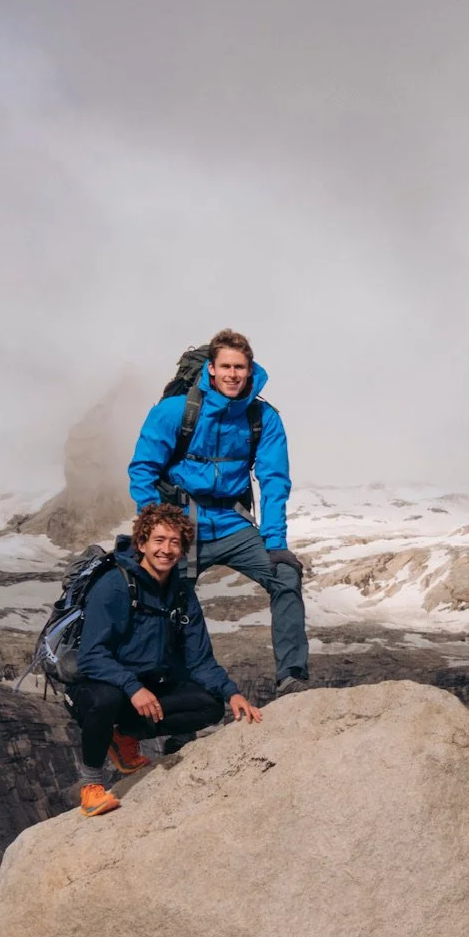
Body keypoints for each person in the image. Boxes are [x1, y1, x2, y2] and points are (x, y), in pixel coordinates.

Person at [128, 328, 308, 694]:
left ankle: (292, 677)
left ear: (250, 370)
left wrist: (275, 543)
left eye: (240, 368)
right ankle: (175, 704)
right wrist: (155, 529)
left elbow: (274, 482)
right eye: (225, 366)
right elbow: (142, 469)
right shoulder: (175, 412)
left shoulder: (263, 418)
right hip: (182, 523)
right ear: (211, 369)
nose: (232, 375)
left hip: (232, 522)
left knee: (285, 575)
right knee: (167, 599)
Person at [69, 502, 262, 817]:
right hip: (97, 684)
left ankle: (123, 736)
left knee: (209, 706)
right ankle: (91, 786)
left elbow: (199, 661)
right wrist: (132, 687)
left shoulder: (182, 594)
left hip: (146, 685)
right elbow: (91, 656)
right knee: (107, 700)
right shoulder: (115, 585)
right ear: (142, 543)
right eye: (159, 540)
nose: (166, 549)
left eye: (175, 542)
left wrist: (232, 693)